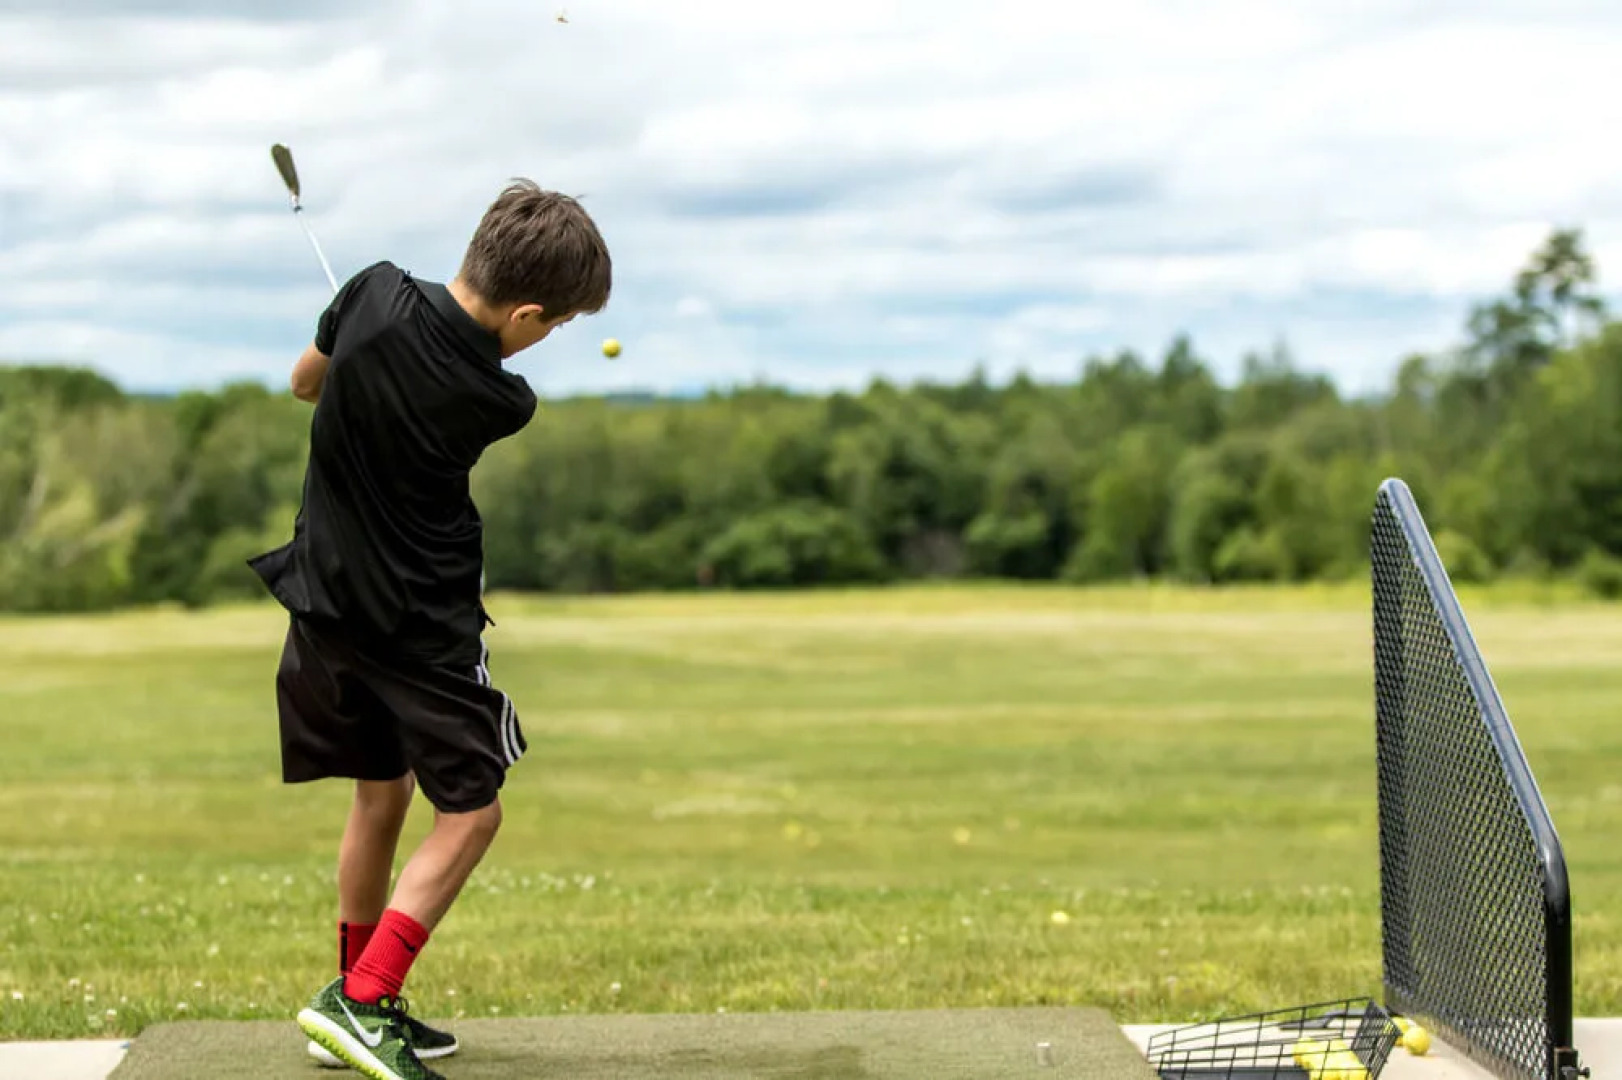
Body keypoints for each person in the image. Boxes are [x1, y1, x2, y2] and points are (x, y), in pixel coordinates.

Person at [247, 180, 612, 1080]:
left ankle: (354, 1000)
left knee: (381, 795)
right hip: (421, 633)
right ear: (526, 311)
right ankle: (364, 1001)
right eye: (554, 323)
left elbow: (303, 383)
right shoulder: (501, 399)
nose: (550, 337)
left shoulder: (369, 289)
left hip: (324, 609)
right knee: (473, 813)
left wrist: (349, 335)